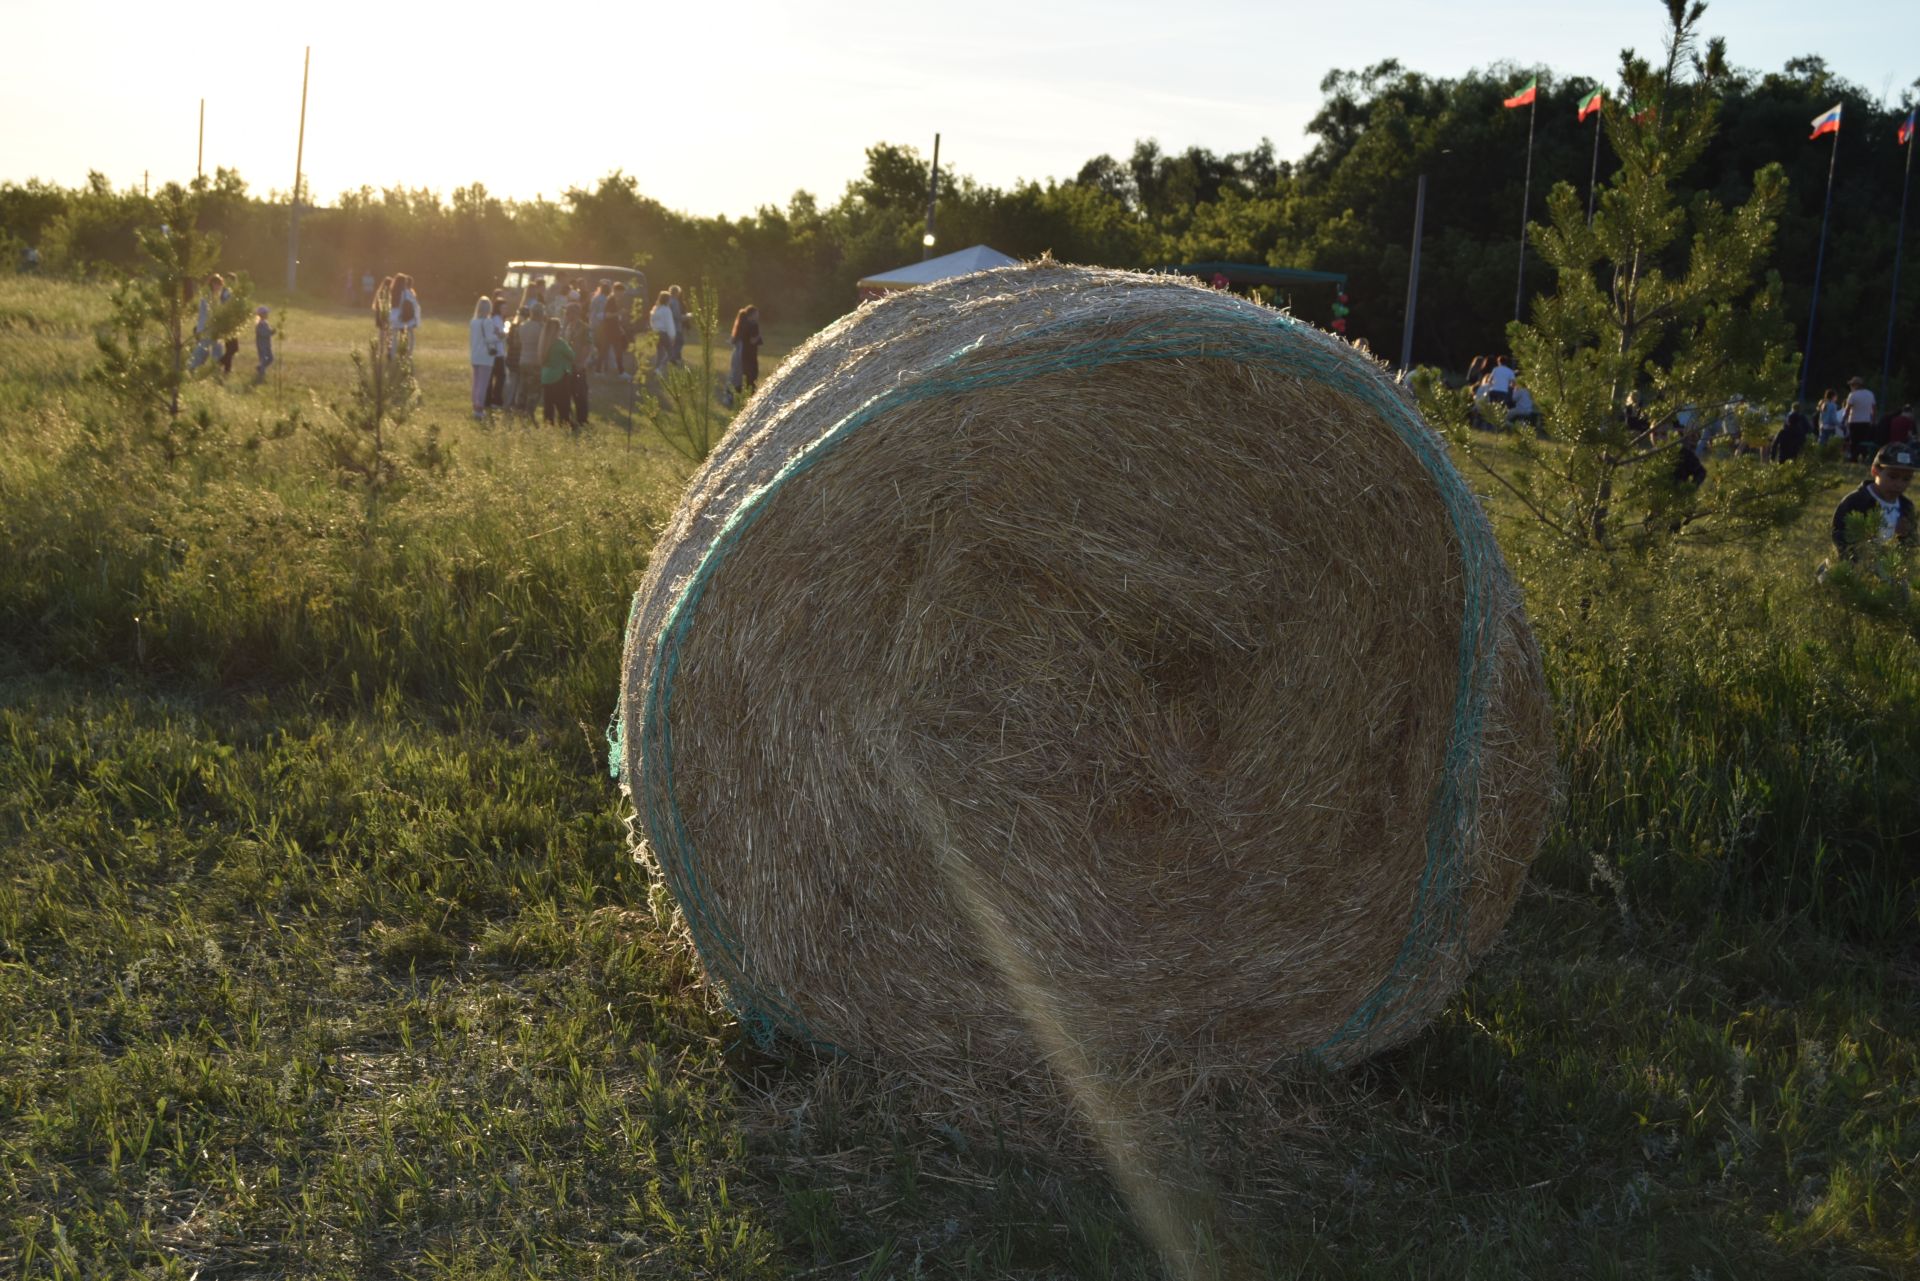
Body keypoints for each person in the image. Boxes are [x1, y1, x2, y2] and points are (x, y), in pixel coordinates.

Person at [1832, 441, 1918, 557]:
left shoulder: (1906, 506)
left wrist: (1903, 536)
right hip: (1856, 569)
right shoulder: (1856, 502)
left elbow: (1909, 547)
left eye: (1906, 479)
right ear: (1875, 471)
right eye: (1893, 477)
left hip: (1889, 572)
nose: (1899, 484)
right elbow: (1840, 539)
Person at [539, 316, 576, 427]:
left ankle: (548, 425)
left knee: (548, 405)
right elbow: (572, 356)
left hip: (546, 377)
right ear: (558, 330)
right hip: (559, 377)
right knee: (563, 404)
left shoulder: (543, 343)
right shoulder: (560, 343)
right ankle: (565, 424)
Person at [467, 296, 499, 419]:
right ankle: (479, 408)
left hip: (475, 354)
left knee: (476, 382)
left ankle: (475, 405)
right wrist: (500, 336)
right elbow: (490, 339)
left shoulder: (473, 322)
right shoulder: (488, 322)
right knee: (483, 383)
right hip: (485, 356)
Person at [516, 306, 544, 415]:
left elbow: (519, 343)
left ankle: (519, 409)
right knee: (534, 389)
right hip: (535, 361)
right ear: (540, 315)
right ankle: (529, 411)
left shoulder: (523, 326)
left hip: (523, 359)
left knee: (523, 386)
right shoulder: (541, 328)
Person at [1843, 376, 1877, 463]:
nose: (1850, 387)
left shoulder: (1852, 395)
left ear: (1855, 385)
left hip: (1854, 421)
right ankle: (1864, 457)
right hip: (1866, 421)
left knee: (1854, 441)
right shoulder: (1870, 394)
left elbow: (1847, 409)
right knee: (1864, 441)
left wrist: (1844, 419)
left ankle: (1853, 458)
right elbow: (1873, 408)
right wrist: (1873, 420)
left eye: (1851, 385)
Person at [731, 304, 763, 394]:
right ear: (752, 315)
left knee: (743, 375)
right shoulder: (753, 325)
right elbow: (753, 341)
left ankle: (738, 394)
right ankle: (750, 394)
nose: (758, 316)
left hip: (743, 353)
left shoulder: (743, 324)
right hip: (750, 354)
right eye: (756, 314)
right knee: (752, 375)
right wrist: (759, 336)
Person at [486, 292, 509, 408]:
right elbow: (498, 334)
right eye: (503, 308)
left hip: (500, 352)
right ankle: (495, 399)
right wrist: (503, 334)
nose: (505, 310)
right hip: (496, 353)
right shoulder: (495, 319)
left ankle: (491, 399)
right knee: (500, 376)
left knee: (497, 376)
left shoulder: (500, 319)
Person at [391, 273, 422, 359]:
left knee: (394, 337)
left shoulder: (392, 291)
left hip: (393, 316)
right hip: (404, 317)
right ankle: (408, 354)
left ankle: (393, 355)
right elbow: (414, 304)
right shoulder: (406, 292)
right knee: (409, 335)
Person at [649, 290, 676, 374]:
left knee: (660, 352)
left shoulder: (655, 309)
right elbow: (669, 324)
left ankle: (657, 368)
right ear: (667, 300)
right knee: (670, 352)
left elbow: (651, 321)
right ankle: (659, 368)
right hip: (663, 333)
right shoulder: (666, 310)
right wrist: (672, 336)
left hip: (656, 333)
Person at [667, 284, 688, 364]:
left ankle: (674, 357)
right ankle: (672, 357)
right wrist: (687, 317)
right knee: (680, 341)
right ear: (677, 292)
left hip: (669, 326)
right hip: (676, 326)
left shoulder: (668, 300)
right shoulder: (675, 302)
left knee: (674, 342)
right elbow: (677, 316)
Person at [252, 305, 274, 383]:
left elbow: (267, 332)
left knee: (271, 358)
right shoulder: (260, 324)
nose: (267, 315)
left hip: (267, 345)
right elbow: (263, 333)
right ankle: (261, 374)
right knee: (263, 359)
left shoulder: (265, 323)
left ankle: (260, 368)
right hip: (262, 345)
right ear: (262, 315)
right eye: (266, 313)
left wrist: (271, 332)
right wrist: (270, 332)